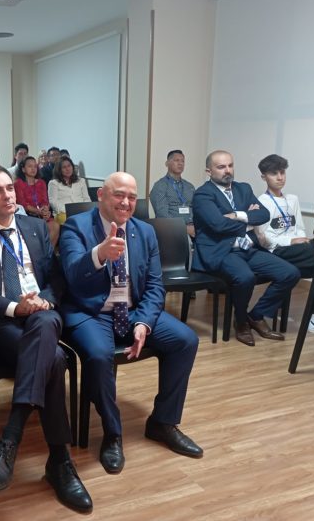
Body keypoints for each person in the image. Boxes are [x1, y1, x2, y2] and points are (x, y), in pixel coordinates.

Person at [0, 167, 92, 512]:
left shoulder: (34, 226)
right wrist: (16, 307)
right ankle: (59, 462)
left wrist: (44, 300)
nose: (8, 195)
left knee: (45, 322)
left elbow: (56, 278)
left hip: (42, 313)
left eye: (9, 189)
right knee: (54, 360)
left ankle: (10, 439)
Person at [60, 172, 203, 476]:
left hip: (133, 310)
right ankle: (112, 434)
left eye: (132, 197)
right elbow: (72, 275)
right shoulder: (76, 226)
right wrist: (99, 254)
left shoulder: (144, 231)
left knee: (185, 340)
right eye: (119, 194)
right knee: (99, 355)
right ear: (101, 195)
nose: (126, 202)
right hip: (92, 311)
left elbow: (155, 285)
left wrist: (144, 323)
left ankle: (162, 422)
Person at [192, 150, 300, 346]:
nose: (227, 170)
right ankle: (241, 321)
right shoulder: (203, 194)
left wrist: (238, 215)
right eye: (221, 167)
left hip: (247, 248)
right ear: (209, 171)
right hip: (221, 251)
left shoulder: (243, 189)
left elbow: (264, 215)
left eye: (230, 165)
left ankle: (256, 316)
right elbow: (217, 224)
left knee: (289, 273)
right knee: (245, 277)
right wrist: (249, 221)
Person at [255, 154, 314, 338]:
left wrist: (299, 238)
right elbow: (264, 238)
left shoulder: (292, 199)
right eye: (274, 173)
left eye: (282, 172)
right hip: (276, 251)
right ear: (263, 177)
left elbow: (299, 227)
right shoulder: (261, 202)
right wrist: (290, 241)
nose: (280, 177)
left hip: (297, 249)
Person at [149, 150, 196, 238]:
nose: (180, 163)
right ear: (167, 163)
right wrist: (183, 228)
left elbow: (196, 208)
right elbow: (162, 214)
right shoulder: (160, 186)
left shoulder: (189, 186)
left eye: (182, 161)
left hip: (193, 229)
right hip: (171, 231)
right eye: (176, 160)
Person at [14, 156, 59, 246]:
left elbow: (45, 201)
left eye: (35, 166)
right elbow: (23, 204)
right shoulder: (18, 183)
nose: (33, 169)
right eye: (30, 166)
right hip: (27, 216)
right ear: (23, 169)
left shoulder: (41, 182)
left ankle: (48, 252)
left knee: (55, 226)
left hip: (41, 215)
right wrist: (38, 211)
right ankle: (40, 252)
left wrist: (45, 210)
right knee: (39, 228)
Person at [48, 156, 91, 225]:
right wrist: (67, 210)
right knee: (75, 222)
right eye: (64, 167)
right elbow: (53, 202)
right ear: (59, 170)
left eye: (69, 166)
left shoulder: (81, 181)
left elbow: (86, 198)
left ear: (72, 167)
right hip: (63, 213)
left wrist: (85, 209)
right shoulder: (54, 183)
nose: (67, 169)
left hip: (81, 211)